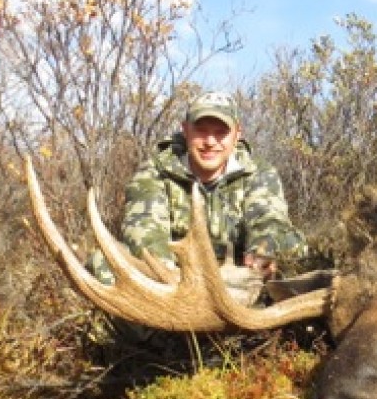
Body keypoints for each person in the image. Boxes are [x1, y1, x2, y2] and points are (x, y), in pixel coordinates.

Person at [90, 91, 308, 286]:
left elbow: (269, 219)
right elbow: (145, 235)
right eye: (201, 131)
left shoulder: (258, 172)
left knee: (297, 256)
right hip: (176, 281)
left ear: (237, 133)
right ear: (185, 130)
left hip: (241, 281)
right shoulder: (154, 173)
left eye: (221, 132)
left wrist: (263, 250)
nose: (210, 141)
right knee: (104, 263)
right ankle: (154, 331)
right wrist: (173, 280)